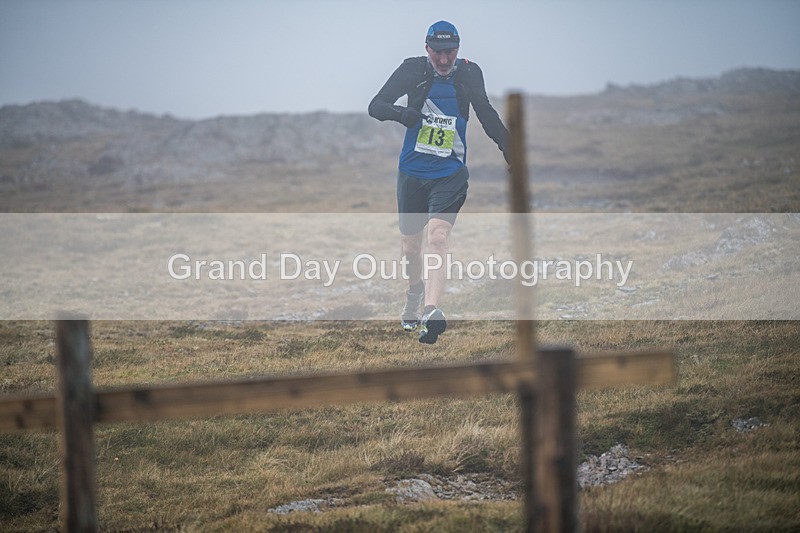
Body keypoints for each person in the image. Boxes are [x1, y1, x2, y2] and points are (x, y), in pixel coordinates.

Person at [368, 20, 511, 344]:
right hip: (412, 173)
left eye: (450, 52)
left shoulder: (469, 73)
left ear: (457, 50)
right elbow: (375, 106)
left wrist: (510, 148)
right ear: (427, 49)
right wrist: (402, 115)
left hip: (450, 172)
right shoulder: (412, 70)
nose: (444, 60)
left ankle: (431, 312)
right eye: (437, 53)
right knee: (410, 248)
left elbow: (486, 113)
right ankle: (415, 292)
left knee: (438, 237)